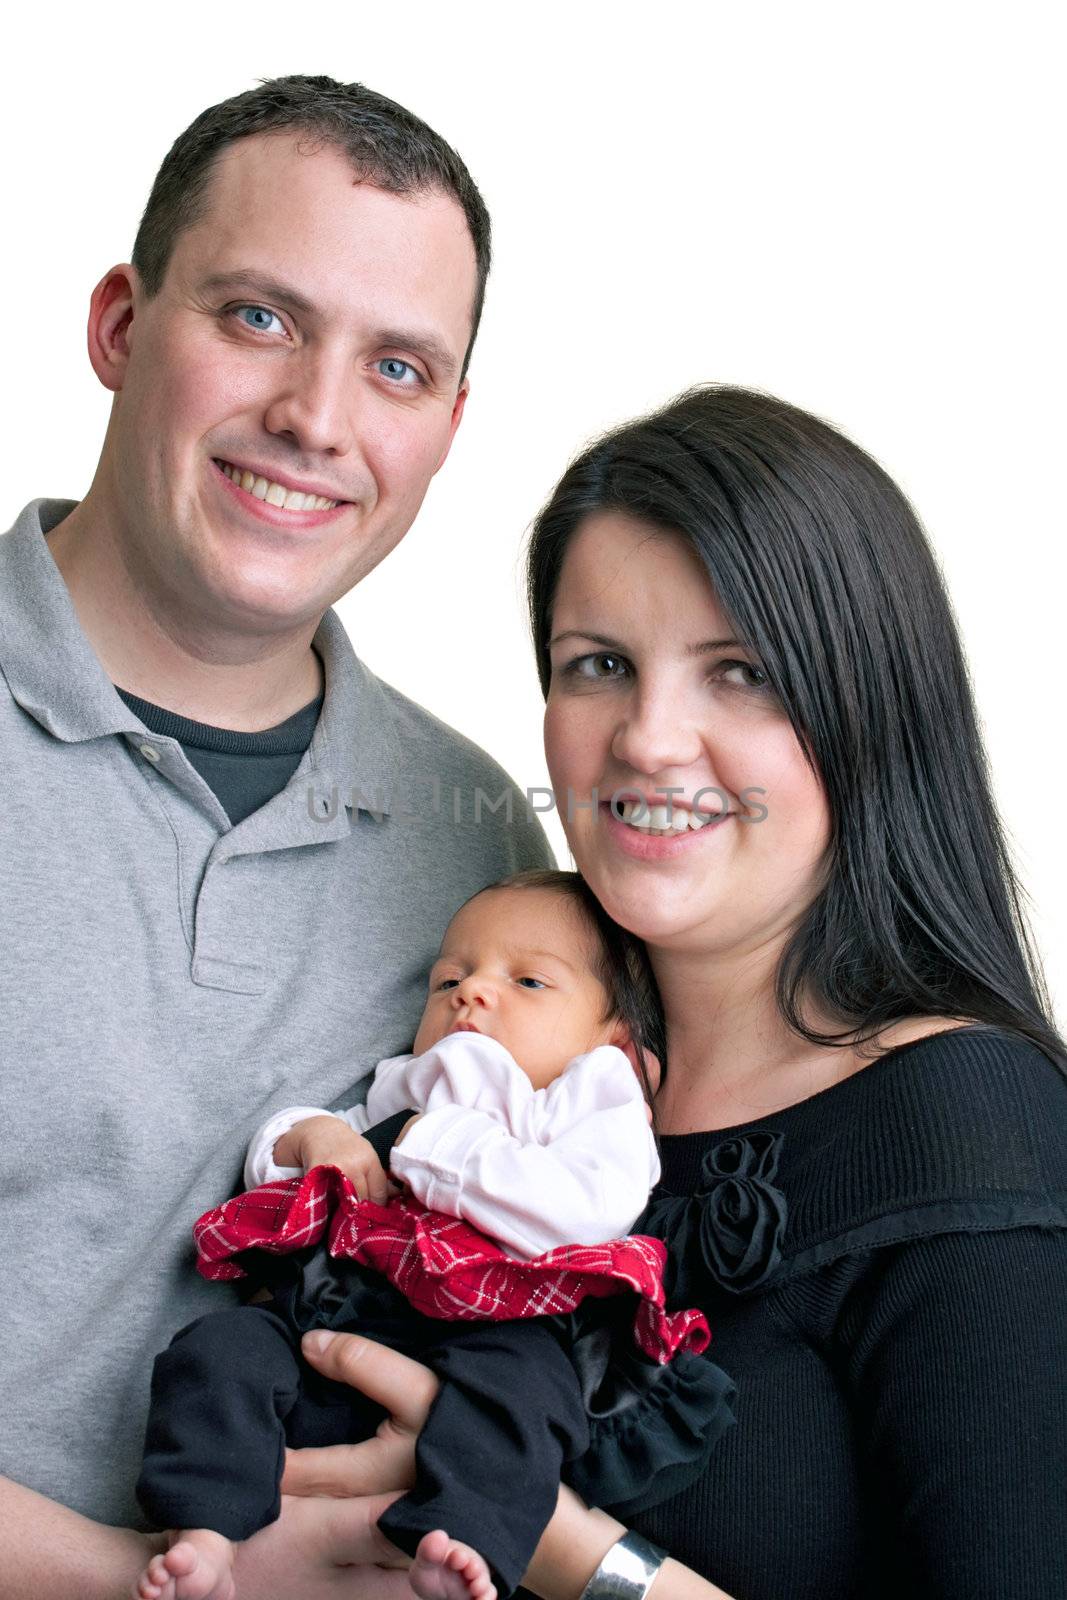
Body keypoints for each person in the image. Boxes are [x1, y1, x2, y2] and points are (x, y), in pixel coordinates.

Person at [285, 385, 1067, 1600]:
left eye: (739, 672)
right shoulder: (517, 1053)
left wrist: (568, 1550)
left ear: (867, 708)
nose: (648, 738)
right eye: (598, 664)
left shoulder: (959, 1125)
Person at [0, 75, 554, 1598]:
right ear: (120, 323)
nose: (316, 418)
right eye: (257, 318)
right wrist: (137, 1580)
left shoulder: (480, 847)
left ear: (447, 424)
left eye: (393, 364)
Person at [132, 870, 732, 1600]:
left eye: (529, 983)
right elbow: (275, 1173)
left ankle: (462, 1539)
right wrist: (309, 1135)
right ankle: (203, 1526)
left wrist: (436, 1140)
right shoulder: (407, 1084)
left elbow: (584, 1210)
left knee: (523, 1406)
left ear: (616, 1041)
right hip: (345, 1309)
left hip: (504, 1321)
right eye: (449, 977)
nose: (470, 992)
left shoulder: (586, 1101)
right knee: (219, 1350)